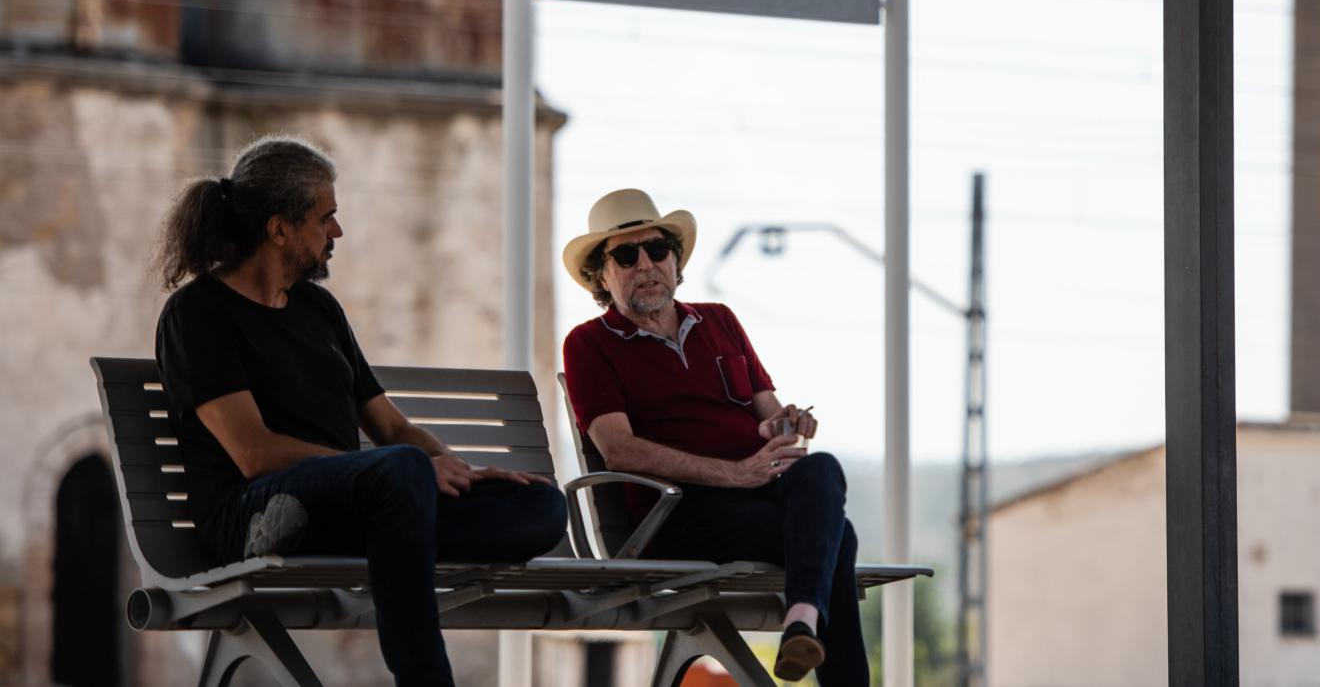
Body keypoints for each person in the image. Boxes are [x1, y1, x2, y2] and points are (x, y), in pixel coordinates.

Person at [152, 135, 568, 687]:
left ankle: (376, 522)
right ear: (279, 229)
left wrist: (459, 470)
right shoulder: (197, 314)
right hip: (251, 505)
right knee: (398, 473)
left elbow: (391, 426)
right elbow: (253, 452)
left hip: (353, 503)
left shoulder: (318, 308)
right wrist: (390, 472)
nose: (336, 233)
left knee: (540, 507)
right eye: (326, 218)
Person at [561, 188, 865, 685]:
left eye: (657, 249)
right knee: (840, 539)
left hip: (759, 496)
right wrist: (735, 474)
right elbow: (618, 448)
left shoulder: (719, 320)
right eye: (625, 253)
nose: (645, 264)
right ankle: (808, 626)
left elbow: (769, 415)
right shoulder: (589, 344)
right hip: (676, 513)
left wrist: (785, 422)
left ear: (675, 261)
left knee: (822, 467)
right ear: (602, 273)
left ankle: (801, 623)